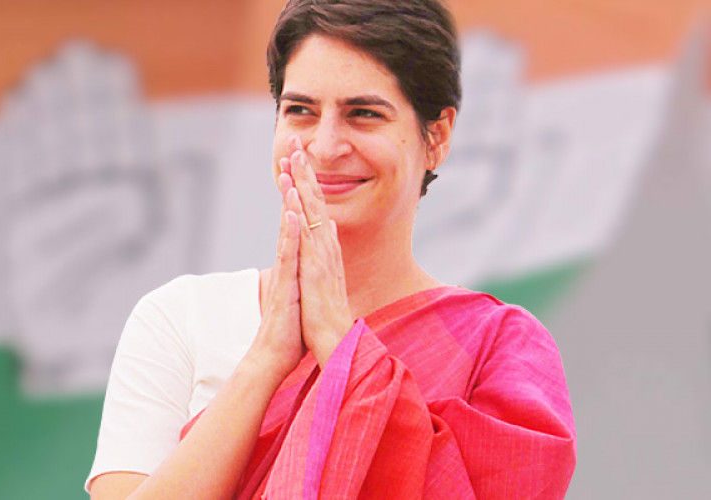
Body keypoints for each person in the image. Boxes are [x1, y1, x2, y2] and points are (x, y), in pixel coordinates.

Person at [87, 0, 577, 498]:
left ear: (437, 136)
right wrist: (266, 361)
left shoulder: (495, 348)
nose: (324, 146)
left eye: (364, 114)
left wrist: (343, 350)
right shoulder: (181, 318)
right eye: (300, 111)